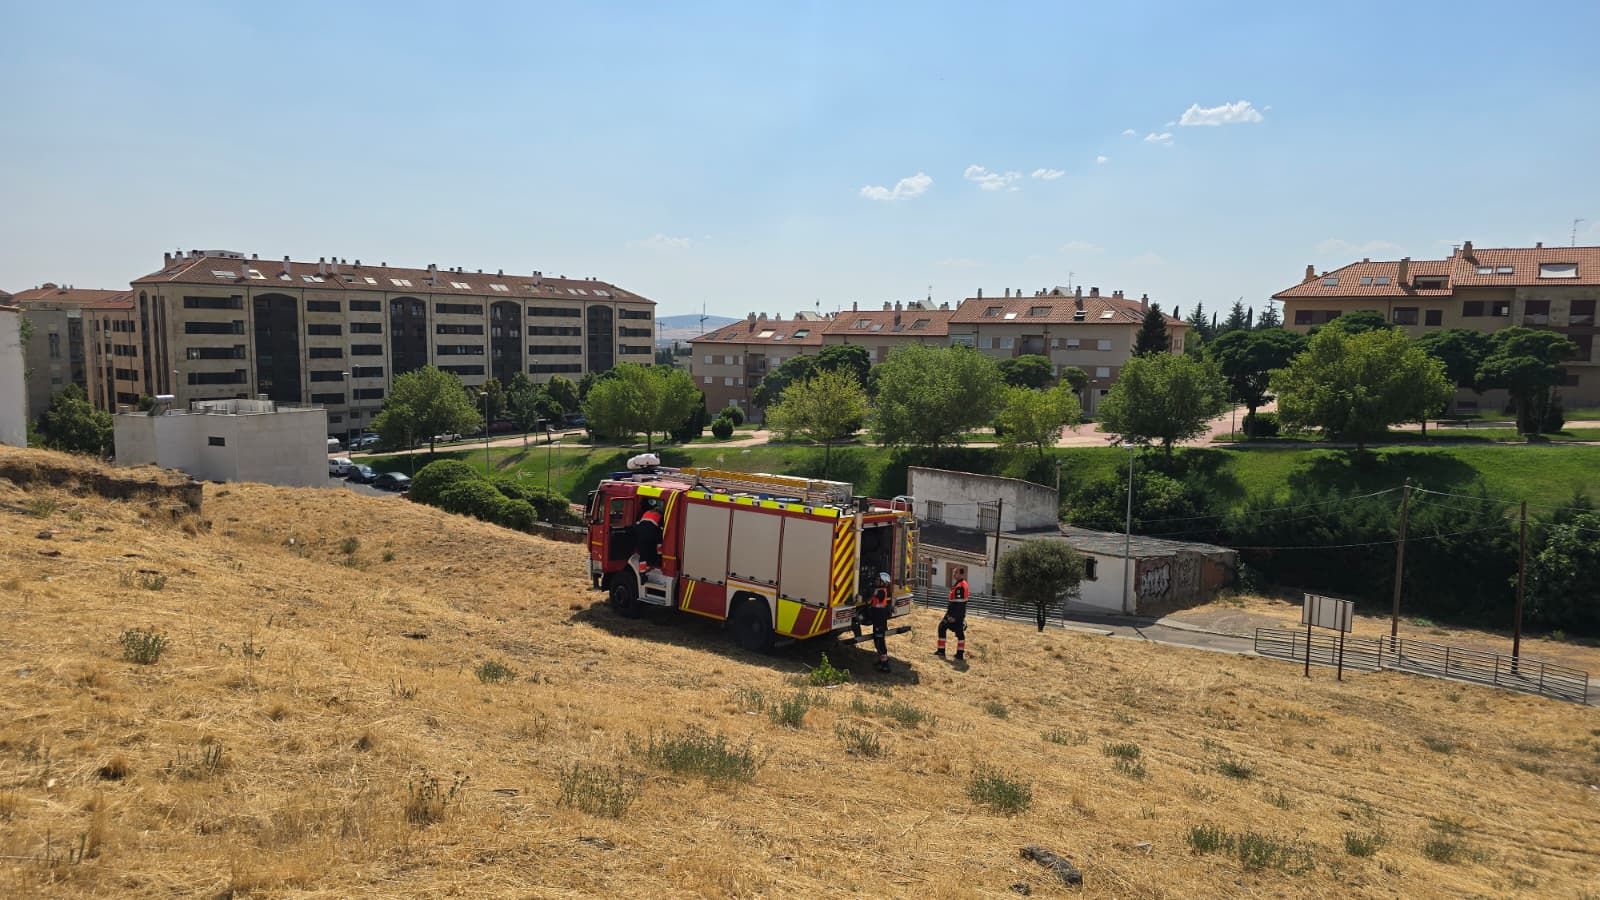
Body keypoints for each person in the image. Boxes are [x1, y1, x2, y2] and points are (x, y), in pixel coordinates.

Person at [934, 573, 969, 661]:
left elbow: (959, 603)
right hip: (958, 615)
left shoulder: (960, 586)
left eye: (956, 573)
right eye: (953, 573)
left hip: (954, 614)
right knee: (960, 633)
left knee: (942, 627)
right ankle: (959, 654)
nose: (953, 575)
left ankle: (941, 651)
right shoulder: (962, 584)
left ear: (961, 575)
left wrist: (953, 616)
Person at [868, 571, 894, 672]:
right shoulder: (880, 590)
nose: (876, 581)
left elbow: (871, 594)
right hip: (877, 620)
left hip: (879, 621)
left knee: (880, 641)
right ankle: (881, 659)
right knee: (876, 639)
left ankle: (885, 664)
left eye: (878, 580)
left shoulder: (881, 591)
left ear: (883, 582)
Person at [633, 499, 663, 570]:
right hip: (650, 531)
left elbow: (638, 522)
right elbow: (661, 529)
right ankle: (658, 558)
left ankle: (642, 573)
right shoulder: (660, 515)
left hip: (639, 532)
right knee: (659, 541)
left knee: (643, 553)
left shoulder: (647, 512)